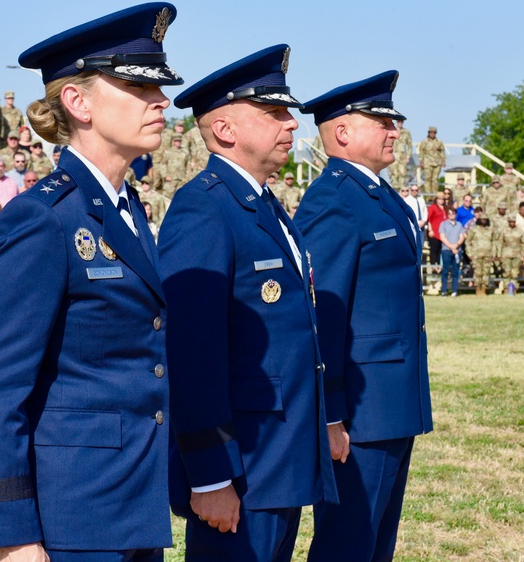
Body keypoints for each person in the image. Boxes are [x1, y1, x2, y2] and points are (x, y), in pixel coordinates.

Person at [0, 4, 182, 560]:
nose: (161, 102)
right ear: (77, 102)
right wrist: (14, 533)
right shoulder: (44, 217)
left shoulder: (128, 208)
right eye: (138, 88)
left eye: (160, 89)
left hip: (134, 502)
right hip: (74, 514)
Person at [160, 45, 335, 562]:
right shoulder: (204, 209)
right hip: (241, 466)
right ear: (225, 131)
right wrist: (210, 474)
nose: (291, 126)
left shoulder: (263, 203)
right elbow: (191, 354)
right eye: (274, 113)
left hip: (278, 456)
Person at [294, 70, 432, 562]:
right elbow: (323, 314)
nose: (395, 129)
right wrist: (331, 415)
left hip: (391, 401)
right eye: (382, 120)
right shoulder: (334, 199)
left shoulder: (378, 193)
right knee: (347, 543)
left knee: (375, 544)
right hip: (361, 410)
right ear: (344, 133)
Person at [466, 211, 497, 295]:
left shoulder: (490, 230)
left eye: (485, 220)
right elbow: (468, 241)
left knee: (486, 272)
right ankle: (477, 289)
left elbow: (494, 242)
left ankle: (484, 288)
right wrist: (469, 253)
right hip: (476, 255)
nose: (483, 221)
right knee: (477, 272)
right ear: (479, 220)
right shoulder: (474, 229)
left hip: (488, 254)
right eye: (482, 219)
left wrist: (494, 253)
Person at [439, 206, 466, 296]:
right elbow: (442, 237)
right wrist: (451, 247)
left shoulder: (459, 225)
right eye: (450, 213)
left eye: (453, 213)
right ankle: (444, 291)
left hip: (457, 251)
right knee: (445, 271)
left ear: (455, 214)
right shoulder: (443, 224)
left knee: (455, 271)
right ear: (447, 214)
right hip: (446, 250)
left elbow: (462, 237)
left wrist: (456, 246)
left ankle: (454, 291)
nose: (451, 215)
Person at [418, 126, 445, 193]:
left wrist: (443, 160)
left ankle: (434, 195)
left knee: (435, 179)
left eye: (434, 132)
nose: (432, 134)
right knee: (427, 179)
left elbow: (442, 151)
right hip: (427, 162)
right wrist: (421, 161)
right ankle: (428, 195)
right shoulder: (425, 141)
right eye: (431, 132)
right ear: (429, 133)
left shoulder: (439, 142)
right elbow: (421, 151)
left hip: (437, 162)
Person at [388, 117, 412, 186]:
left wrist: (408, 156)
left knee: (402, 173)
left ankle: (401, 190)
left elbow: (409, 145)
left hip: (402, 156)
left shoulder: (406, 132)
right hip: (393, 154)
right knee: (394, 173)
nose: (400, 123)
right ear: (396, 122)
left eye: (401, 122)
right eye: (398, 121)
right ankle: (394, 190)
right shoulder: (392, 130)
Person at [426, 193, 447, 272]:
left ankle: (439, 266)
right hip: (434, 232)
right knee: (434, 250)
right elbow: (428, 219)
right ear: (436, 199)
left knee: (440, 250)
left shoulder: (445, 208)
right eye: (439, 198)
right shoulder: (433, 207)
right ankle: (433, 266)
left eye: (442, 199)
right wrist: (430, 230)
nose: (441, 200)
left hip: (442, 233)